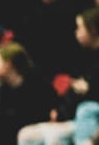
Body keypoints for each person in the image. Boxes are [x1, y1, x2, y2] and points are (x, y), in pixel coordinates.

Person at [17, 7, 99, 145]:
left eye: (80, 28)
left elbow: (88, 96)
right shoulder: (84, 57)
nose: (76, 33)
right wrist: (60, 112)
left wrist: (83, 90)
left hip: (89, 118)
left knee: (55, 138)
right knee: (26, 135)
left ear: (93, 29)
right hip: (73, 117)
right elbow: (77, 91)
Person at [0, 42, 57, 145]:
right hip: (12, 132)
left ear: (7, 65)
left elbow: (33, 116)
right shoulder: (4, 89)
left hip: (33, 132)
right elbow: (2, 117)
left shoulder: (36, 84)